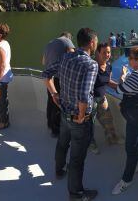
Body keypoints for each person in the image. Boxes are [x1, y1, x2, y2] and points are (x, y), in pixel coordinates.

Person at [43, 28, 99, 201]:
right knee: (76, 160)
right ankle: (76, 194)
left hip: (64, 113)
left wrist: (54, 94)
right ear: (91, 43)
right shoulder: (91, 64)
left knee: (62, 144)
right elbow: (83, 95)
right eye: (96, 41)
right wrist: (82, 116)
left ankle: (59, 170)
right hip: (78, 119)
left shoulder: (66, 57)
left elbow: (46, 74)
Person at [111, 46, 138, 195]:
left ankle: (126, 180)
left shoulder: (137, 75)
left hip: (134, 116)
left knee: (131, 147)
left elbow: (119, 89)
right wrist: (129, 75)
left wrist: (123, 76)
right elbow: (136, 84)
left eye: (131, 58)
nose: (129, 60)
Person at [88, 43, 122, 154]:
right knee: (89, 124)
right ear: (97, 53)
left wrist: (121, 86)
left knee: (108, 121)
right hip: (90, 100)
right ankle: (91, 143)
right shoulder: (92, 66)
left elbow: (107, 82)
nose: (107, 55)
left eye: (108, 52)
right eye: (104, 52)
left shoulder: (109, 66)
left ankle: (112, 139)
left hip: (102, 98)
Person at [41, 32, 75, 137]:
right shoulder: (67, 42)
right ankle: (56, 130)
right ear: (69, 37)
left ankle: (50, 125)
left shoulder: (49, 43)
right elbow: (73, 59)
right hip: (60, 78)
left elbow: (43, 62)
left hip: (49, 78)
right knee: (59, 103)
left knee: (51, 100)